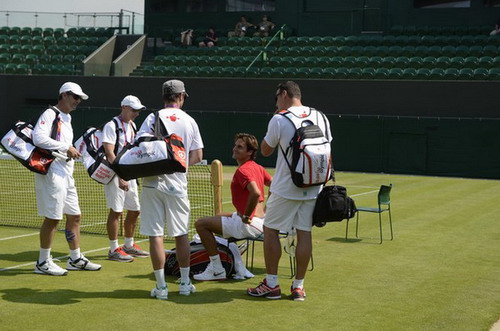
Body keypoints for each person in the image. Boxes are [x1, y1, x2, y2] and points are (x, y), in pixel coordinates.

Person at [247, 81, 332, 301]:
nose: (276, 102)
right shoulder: (320, 116)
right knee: (305, 232)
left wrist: (277, 118)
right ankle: (298, 287)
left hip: (287, 187)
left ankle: (272, 284)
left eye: (276, 97)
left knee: (270, 230)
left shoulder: (279, 118)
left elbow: (264, 151)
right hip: (314, 186)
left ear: (284, 94)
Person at [137, 80, 203, 300]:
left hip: (152, 181)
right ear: (182, 96)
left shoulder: (151, 117)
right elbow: (198, 155)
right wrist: (180, 165)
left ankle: (161, 287)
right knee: (181, 234)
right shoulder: (189, 120)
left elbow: (140, 147)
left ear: (164, 96)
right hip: (177, 184)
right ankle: (184, 283)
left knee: (155, 234)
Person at [32, 82, 101, 276]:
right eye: (75, 97)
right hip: (52, 171)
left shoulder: (67, 118)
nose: (77, 101)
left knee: (75, 215)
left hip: (66, 172)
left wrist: (69, 150)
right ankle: (43, 262)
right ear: (64, 95)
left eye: (79, 98)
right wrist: (66, 147)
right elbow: (38, 138)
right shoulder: (50, 114)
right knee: (53, 218)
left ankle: (75, 258)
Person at [194, 133, 272, 281]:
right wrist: (267, 208)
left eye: (240, 147)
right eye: (235, 145)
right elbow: (274, 185)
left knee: (201, 224)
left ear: (249, 152)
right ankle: (239, 266)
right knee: (220, 216)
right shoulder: (257, 167)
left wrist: (246, 216)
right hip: (261, 222)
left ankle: (216, 269)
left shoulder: (243, 171)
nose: (235, 149)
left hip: (248, 224)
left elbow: (255, 193)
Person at [102, 95, 149, 262]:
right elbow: (109, 153)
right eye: (133, 110)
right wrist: (120, 175)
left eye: (138, 110)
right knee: (116, 211)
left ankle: (129, 245)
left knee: (135, 209)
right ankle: (114, 249)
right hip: (115, 175)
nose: (136, 113)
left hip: (129, 175)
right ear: (123, 107)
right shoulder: (111, 126)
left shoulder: (132, 125)